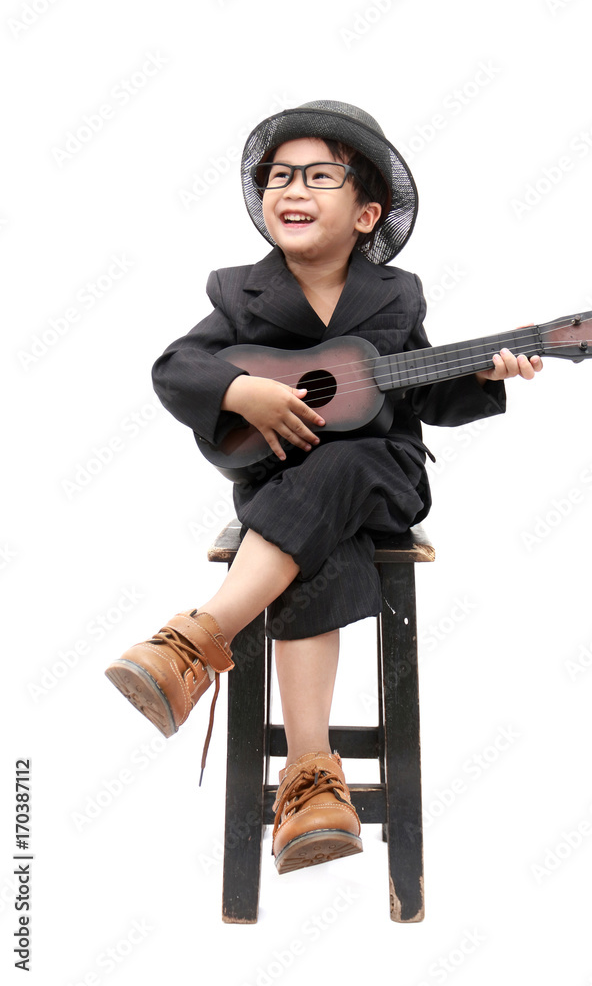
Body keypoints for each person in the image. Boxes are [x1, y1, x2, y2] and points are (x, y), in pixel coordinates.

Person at [105, 100, 543, 874]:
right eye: (278, 176)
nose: (291, 188)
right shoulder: (239, 291)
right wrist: (243, 393)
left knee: (343, 464)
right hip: (286, 498)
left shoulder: (396, 295)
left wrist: (482, 375)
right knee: (321, 537)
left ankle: (197, 641)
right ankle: (312, 782)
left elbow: (424, 397)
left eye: (317, 176)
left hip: (382, 477)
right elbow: (177, 369)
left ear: (366, 212)